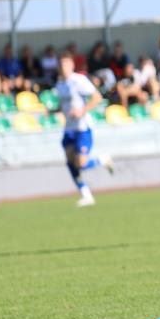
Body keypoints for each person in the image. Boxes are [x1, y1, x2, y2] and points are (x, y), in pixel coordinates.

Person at [54, 53, 114, 206]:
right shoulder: (60, 84)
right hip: (69, 128)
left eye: (66, 64)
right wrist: (54, 110)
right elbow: (64, 105)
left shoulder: (78, 81)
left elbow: (97, 97)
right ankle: (86, 194)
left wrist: (82, 110)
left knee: (81, 163)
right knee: (70, 161)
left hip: (82, 127)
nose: (63, 68)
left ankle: (102, 160)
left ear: (72, 66)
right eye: (61, 65)